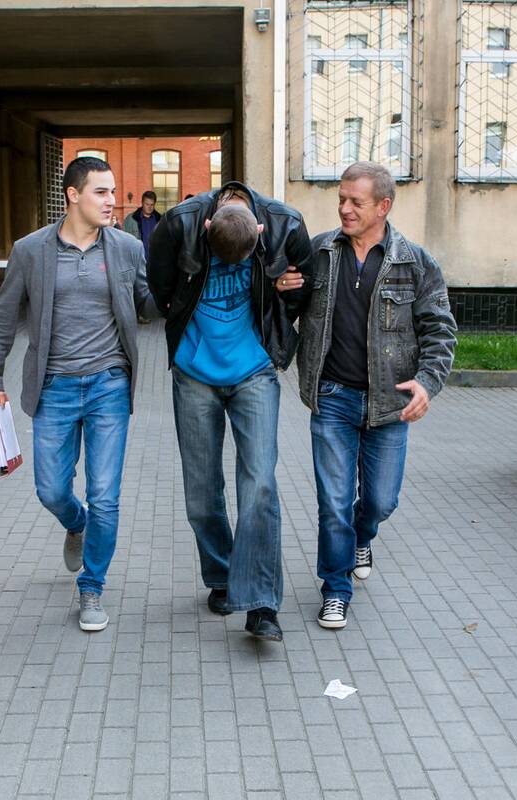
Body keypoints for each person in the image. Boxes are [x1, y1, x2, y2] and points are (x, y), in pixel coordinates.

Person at [0, 156, 155, 633]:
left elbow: (149, 302)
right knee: (51, 490)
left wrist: (187, 278)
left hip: (108, 385)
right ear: (73, 195)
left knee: (106, 496)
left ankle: (91, 587)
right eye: (101, 192)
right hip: (53, 386)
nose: (112, 201)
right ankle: (76, 523)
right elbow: (3, 316)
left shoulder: (127, 248)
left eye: (113, 191)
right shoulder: (31, 251)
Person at [279, 161, 456, 630]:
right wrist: (282, 288)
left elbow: (440, 331)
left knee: (380, 501)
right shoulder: (319, 252)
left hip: (389, 402)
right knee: (333, 503)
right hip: (333, 397)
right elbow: (288, 309)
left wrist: (428, 382)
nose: (344, 209)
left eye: (355, 201)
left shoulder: (414, 262)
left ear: (383, 206)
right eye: (341, 199)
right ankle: (336, 590)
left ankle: (363, 536)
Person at [148, 182, 314, 642]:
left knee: (259, 484)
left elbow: (303, 290)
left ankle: (260, 602)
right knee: (201, 493)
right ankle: (222, 575)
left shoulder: (285, 225)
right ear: (206, 228)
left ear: (259, 232)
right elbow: (160, 289)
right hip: (194, 373)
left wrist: (276, 296)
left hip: (254, 372)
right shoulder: (179, 224)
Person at [123, 191, 162, 260]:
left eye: (152, 205)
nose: (149, 207)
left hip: (155, 261)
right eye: (147, 204)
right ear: (142, 203)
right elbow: (124, 241)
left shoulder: (160, 220)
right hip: (137, 261)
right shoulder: (130, 219)